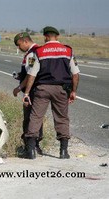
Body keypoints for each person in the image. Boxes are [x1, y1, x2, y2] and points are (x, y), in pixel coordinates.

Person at [22, 26, 80, 159]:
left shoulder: (40, 51)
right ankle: (63, 151)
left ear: (45, 36)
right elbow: (75, 74)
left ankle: (31, 151)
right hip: (61, 89)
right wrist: (73, 91)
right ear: (57, 36)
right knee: (62, 118)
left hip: (42, 88)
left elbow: (32, 74)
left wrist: (26, 93)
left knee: (36, 117)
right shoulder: (68, 51)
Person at [12, 32, 43, 156]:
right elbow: (28, 72)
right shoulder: (33, 52)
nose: (18, 49)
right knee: (36, 117)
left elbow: (31, 74)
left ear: (25, 41)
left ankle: (32, 147)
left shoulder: (32, 53)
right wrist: (20, 76)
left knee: (31, 119)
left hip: (32, 91)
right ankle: (33, 145)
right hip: (34, 89)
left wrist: (20, 88)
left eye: (19, 45)